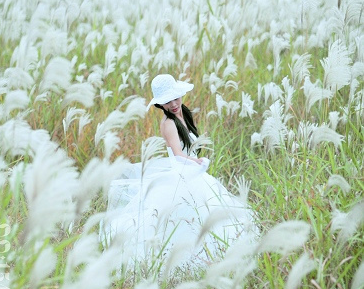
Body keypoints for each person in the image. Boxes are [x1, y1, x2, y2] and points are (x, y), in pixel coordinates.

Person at [100, 74, 256, 271]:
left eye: (175, 98)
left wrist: (196, 162)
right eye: (167, 101)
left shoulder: (183, 113)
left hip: (193, 171)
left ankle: (217, 253)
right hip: (183, 172)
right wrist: (198, 161)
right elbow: (178, 155)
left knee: (210, 212)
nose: (173, 104)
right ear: (160, 104)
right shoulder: (169, 123)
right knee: (185, 218)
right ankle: (188, 259)